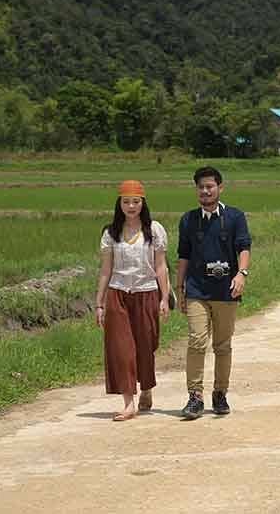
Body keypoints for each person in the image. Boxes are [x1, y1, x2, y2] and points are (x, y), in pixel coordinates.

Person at [176, 166, 251, 419]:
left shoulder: (235, 217)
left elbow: (244, 247)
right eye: (201, 187)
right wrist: (180, 288)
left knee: (222, 345)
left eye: (210, 186)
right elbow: (183, 256)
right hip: (196, 289)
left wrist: (241, 274)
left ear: (220, 188)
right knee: (197, 341)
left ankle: (220, 393)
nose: (205, 191)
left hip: (226, 290)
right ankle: (195, 396)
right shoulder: (188, 220)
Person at [95, 180, 171, 421]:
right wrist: (99, 303)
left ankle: (146, 388)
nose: (131, 206)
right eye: (126, 201)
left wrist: (164, 298)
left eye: (135, 201)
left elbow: (161, 267)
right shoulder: (111, 233)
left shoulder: (154, 230)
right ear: (119, 204)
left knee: (146, 346)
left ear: (143, 203)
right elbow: (106, 270)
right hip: (118, 294)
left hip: (147, 293)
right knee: (121, 348)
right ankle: (129, 403)